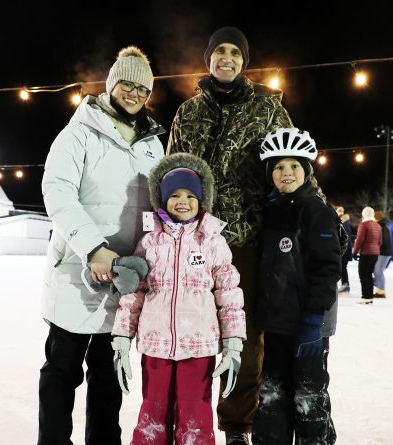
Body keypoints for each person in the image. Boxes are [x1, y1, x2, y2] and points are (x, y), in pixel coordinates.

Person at [166, 26, 297, 445]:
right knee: (195, 329)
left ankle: (238, 424)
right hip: (197, 239)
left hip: (250, 236)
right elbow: (170, 175)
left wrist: (319, 212)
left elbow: (293, 166)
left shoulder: (268, 107)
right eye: (219, 51)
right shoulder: (188, 111)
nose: (227, 58)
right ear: (208, 59)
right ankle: (192, 417)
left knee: (247, 334)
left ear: (244, 61)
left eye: (235, 53)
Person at [38, 46, 165, 445]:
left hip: (124, 278)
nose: (134, 94)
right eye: (127, 84)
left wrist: (150, 257)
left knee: (109, 375)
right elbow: (57, 192)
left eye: (142, 89)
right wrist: (93, 249)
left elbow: (154, 209)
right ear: (111, 84)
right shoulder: (79, 132)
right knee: (62, 371)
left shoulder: (152, 144)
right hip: (77, 273)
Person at [111, 153, 246, 445]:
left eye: (189, 195)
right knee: (152, 413)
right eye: (174, 195)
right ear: (162, 200)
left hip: (199, 346)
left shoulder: (212, 241)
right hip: (156, 345)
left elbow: (230, 293)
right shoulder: (150, 241)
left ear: (201, 200)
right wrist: (122, 337)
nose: (182, 201)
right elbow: (134, 291)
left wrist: (233, 343)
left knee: (195, 415)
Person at [252, 128, 338, 444]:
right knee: (272, 396)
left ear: (306, 170)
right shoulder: (270, 210)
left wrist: (314, 320)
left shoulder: (316, 211)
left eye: (294, 166)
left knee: (308, 398)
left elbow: (327, 269)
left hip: (307, 327)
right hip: (275, 324)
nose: (286, 173)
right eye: (278, 167)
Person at [353, 207, 382, 304]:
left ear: (364, 214)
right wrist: (375, 249)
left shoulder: (364, 225)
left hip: (366, 253)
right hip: (375, 253)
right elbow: (380, 242)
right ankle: (369, 296)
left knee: (363, 274)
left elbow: (359, 240)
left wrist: (354, 252)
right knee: (369, 274)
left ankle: (365, 296)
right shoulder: (378, 226)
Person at [373, 211, 393, 298]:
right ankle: (378, 287)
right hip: (384, 252)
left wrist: (376, 248)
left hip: (383, 252)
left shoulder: (381, 227)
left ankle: (381, 291)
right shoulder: (383, 226)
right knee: (376, 271)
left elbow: (383, 242)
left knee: (378, 271)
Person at [335, 206, 353, 293]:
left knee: (342, 267)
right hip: (345, 248)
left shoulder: (343, 223)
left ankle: (345, 284)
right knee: (342, 267)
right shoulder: (345, 222)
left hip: (344, 249)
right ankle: (345, 284)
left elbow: (344, 237)